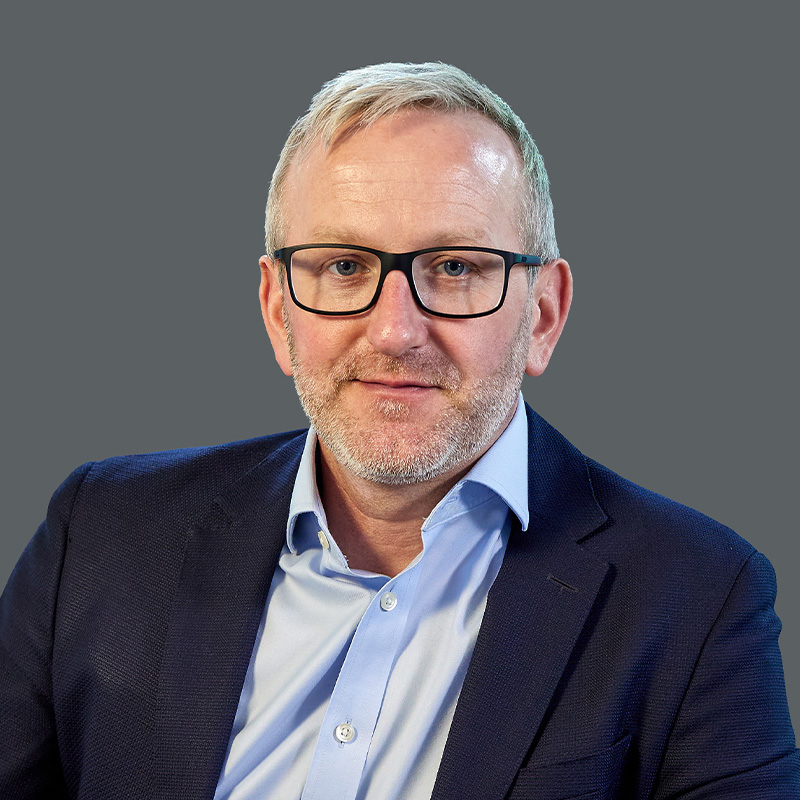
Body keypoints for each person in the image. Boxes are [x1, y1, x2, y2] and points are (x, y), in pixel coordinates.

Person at [1, 62, 797, 800]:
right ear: (278, 311)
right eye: (344, 266)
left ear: (544, 316)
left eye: (455, 267)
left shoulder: (699, 596)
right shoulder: (99, 533)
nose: (394, 331)